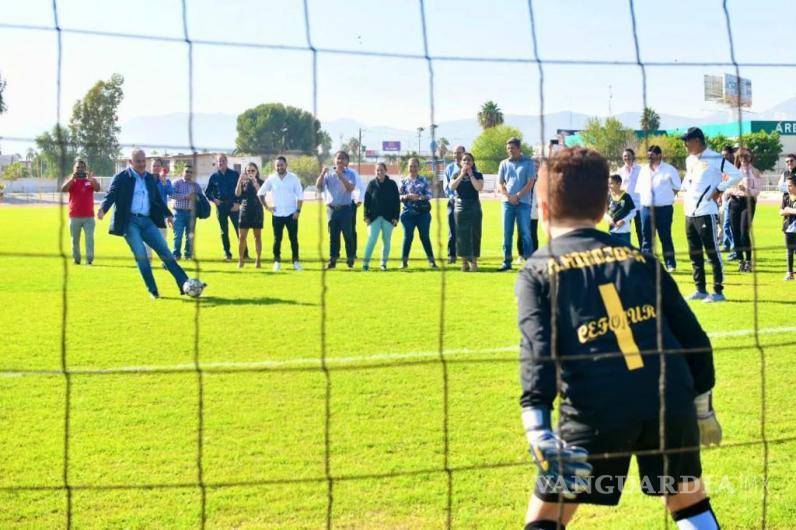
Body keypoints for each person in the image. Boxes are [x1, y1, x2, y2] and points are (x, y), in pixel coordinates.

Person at [517, 147, 722, 530]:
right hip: (668, 398)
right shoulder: (642, 260)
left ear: (541, 209)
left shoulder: (539, 269)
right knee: (688, 503)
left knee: (547, 515)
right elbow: (696, 341)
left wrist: (538, 428)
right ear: (601, 210)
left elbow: (538, 356)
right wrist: (702, 409)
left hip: (596, 405)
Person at [97, 149, 203, 299]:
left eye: (143, 161)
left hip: (147, 221)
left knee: (165, 252)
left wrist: (168, 214)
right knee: (141, 255)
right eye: (138, 161)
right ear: (130, 162)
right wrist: (103, 208)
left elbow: (157, 199)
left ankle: (186, 284)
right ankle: (153, 290)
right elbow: (111, 194)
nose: (141, 164)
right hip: (130, 222)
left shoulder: (148, 178)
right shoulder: (121, 177)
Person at [680, 127, 741, 303]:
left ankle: (718, 291)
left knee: (712, 252)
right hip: (689, 213)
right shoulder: (689, 160)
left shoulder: (714, 157)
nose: (685, 145)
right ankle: (700, 289)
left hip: (706, 212)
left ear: (697, 141)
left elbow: (736, 175)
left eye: (687, 141)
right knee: (694, 253)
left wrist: (719, 189)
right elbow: (689, 181)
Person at [633, 145, 681, 272]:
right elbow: (639, 189)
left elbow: (677, 187)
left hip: (664, 209)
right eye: (648, 155)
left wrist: (666, 196)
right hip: (646, 209)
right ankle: (646, 265)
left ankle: (670, 264)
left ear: (659, 155)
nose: (649, 157)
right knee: (647, 238)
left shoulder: (669, 169)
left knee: (665, 236)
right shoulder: (643, 170)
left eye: (652, 155)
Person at [497, 137, 535, 271]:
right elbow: (500, 184)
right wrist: (509, 196)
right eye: (508, 148)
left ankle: (530, 264)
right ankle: (506, 262)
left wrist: (518, 196)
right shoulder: (503, 163)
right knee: (507, 233)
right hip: (507, 203)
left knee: (525, 233)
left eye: (512, 148)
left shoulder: (529, 163)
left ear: (519, 148)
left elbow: (530, 183)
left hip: (523, 203)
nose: (510, 150)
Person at [259, 157, 304, 271]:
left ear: (286, 165)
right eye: (277, 165)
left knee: (293, 239)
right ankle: (277, 261)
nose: (279, 167)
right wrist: (267, 206)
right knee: (277, 239)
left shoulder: (293, 178)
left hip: (291, 214)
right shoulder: (271, 178)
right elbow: (260, 193)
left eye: (281, 165)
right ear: (275, 167)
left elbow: (300, 196)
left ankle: (296, 261)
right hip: (277, 214)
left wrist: (298, 211)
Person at [316, 151, 357, 269]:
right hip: (332, 209)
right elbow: (319, 187)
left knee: (348, 236)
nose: (340, 161)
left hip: (346, 210)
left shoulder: (351, 174)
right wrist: (322, 174)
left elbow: (350, 188)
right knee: (333, 236)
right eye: (338, 158)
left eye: (343, 159)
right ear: (334, 160)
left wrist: (340, 175)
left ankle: (350, 261)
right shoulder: (328, 174)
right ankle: (332, 261)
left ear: (347, 162)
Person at [727, 147, 763, 272]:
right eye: (741, 156)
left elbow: (757, 191)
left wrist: (746, 190)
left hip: (748, 202)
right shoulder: (733, 171)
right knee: (735, 232)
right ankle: (740, 260)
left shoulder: (755, 172)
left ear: (750, 157)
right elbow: (726, 187)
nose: (744, 159)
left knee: (744, 231)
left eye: (746, 156)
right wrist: (731, 191)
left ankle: (748, 261)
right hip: (734, 202)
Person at [399, 157, 437, 269]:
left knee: (425, 237)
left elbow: (429, 195)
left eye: (415, 166)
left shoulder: (423, 180)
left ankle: (432, 262)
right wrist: (407, 196)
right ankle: (404, 262)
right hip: (407, 214)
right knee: (408, 237)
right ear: (408, 167)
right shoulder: (403, 181)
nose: (413, 168)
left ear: (418, 167)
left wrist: (419, 197)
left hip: (422, 214)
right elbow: (399, 196)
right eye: (411, 166)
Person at [60, 158, 99, 265]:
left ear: (85, 169)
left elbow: (98, 188)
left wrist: (92, 180)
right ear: (74, 169)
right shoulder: (71, 180)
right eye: (78, 167)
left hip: (89, 217)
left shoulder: (89, 180)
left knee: (89, 239)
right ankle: (77, 260)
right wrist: (72, 179)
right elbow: (63, 189)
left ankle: (89, 260)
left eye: (82, 167)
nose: (80, 169)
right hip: (74, 216)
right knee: (74, 240)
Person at [362, 162, 400, 271]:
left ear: (385, 170)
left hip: (388, 218)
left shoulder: (392, 184)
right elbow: (367, 201)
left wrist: (396, 218)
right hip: (374, 218)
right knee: (372, 239)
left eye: (381, 170)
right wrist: (366, 216)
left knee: (386, 241)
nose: (379, 172)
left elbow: (397, 202)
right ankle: (365, 264)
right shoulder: (371, 184)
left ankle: (383, 264)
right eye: (377, 170)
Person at [450, 152, 484, 271]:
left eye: (469, 160)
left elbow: (478, 187)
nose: (466, 162)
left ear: (473, 162)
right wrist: (461, 175)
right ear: (460, 162)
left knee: (475, 233)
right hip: (460, 206)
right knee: (461, 235)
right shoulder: (455, 174)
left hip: (474, 205)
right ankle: (464, 262)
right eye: (464, 160)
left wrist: (470, 175)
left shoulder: (478, 174)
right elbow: (452, 187)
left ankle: (474, 262)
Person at [205, 153, 242, 260]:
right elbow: (207, 192)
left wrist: (238, 203)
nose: (221, 163)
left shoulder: (235, 174)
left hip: (233, 205)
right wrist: (214, 199)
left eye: (223, 161)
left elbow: (241, 190)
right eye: (219, 161)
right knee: (224, 231)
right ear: (217, 163)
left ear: (226, 161)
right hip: (220, 206)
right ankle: (227, 253)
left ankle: (244, 253)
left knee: (239, 230)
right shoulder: (214, 176)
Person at [171, 164, 203, 260]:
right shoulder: (176, 183)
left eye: (190, 172)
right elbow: (172, 195)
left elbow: (201, 198)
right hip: (179, 212)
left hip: (191, 214)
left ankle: (188, 255)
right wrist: (186, 197)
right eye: (187, 171)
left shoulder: (196, 185)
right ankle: (176, 254)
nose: (189, 173)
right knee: (178, 236)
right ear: (182, 172)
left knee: (190, 236)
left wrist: (196, 197)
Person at [236, 162, 264, 268]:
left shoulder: (261, 182)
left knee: (257, 237)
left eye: (253, 170)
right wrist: (239, 181)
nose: (250, 173)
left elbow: (261, 194)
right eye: (248, 171)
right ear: (245, 172)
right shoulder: (243, 182)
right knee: (242, 237)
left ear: (256, 171)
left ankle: (258, 260)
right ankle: (241, 260)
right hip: (245, 210)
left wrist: (255, 183)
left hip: (257, 210)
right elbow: (237, 194)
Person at [443, 145, 467, 264]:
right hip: (453, 202)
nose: (456, 155)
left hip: (466, 203)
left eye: (458, 153)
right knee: (452, 230)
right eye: (454, 153)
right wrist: (454, 197)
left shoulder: (470, 167)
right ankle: (451, 255)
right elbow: (446, 188)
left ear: (464, 153)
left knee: (466, 230)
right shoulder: (449, 168)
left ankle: (465, 255)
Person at [617, 148, 643, 247]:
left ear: (633, 156)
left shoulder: (641, 170)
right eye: (624, 156)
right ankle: (627, 252)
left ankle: (644, 253)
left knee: (640, 231)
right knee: (625, 231)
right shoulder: (620, 171)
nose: (626, 158)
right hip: (625, 207)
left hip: (639, 205)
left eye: (628, 155)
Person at [604, 173, 635, 245]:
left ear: (619, 183)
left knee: (626, 253)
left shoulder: (626, 196)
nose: (609, 186)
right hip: (612, 231)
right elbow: (604, 213)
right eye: (608, 183)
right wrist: (608, 219)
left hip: (625, 232)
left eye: (611, 183)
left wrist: (623, 221)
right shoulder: (608, 197)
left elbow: (633, 212)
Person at [718, 145, 736, 256]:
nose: (724, 157)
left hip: (732, 198)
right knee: (724, 222)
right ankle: (726, 244)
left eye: (726, 155)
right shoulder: (724, 167)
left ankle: (734, 249)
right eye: (722, 155)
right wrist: (720, 196)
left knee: (728, 225)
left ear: (731, 154)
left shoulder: (735, 167)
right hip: (724, 197)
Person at [780, 174, 796, 281]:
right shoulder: (785, 196)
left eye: (790, 185)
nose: (788, 188)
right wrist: (785, 210)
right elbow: (780, 211)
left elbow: (787, 210)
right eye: (787, 185)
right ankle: (789, 273)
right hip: (788, 228)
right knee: (789, 251)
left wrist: (788, 210)